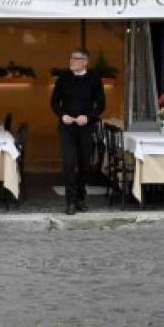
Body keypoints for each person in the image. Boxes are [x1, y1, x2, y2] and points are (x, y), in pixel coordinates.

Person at [50, 48, 105, 215]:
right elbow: (54, 102)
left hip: (86, 128)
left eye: (75, 58)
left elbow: (101, 104)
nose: (71, 61)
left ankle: (81, 198)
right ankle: (70, 202)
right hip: (67, 128)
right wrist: (62, 115)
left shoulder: (95, 79)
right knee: (69, 163)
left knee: (84, 164)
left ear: (85, 62)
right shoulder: (63, 78)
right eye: (71, 57)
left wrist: (88, 117)